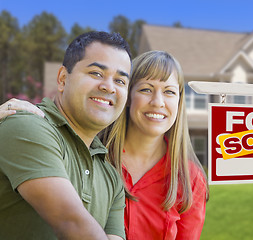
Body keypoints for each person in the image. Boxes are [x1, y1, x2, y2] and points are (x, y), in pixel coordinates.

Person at [1, 50, 208, 239]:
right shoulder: (90, 150)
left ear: (180, 102)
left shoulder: (190, 177)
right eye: (146, 89)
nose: (158, 102)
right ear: (127, 95)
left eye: (169, 92)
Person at [0, 31, 132, 240]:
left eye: (120, 81)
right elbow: (71, 222)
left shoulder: (111, 177)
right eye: (96, 73)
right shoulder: (26, 124)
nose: (108, 86)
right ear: (62, 78)